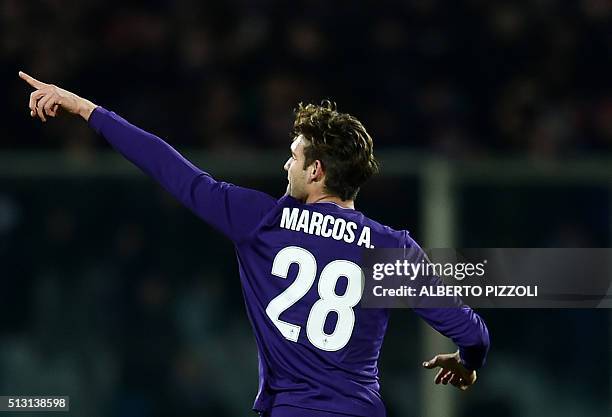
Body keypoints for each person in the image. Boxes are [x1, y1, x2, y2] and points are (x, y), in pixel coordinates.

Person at [19, 71, 490, 417]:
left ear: (316, 171)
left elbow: (170, 168)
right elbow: (470, 332)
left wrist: (84, 108)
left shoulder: (262, 221)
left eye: (293, 157)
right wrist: (468, 363)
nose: (285, 166)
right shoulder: (392, 248)